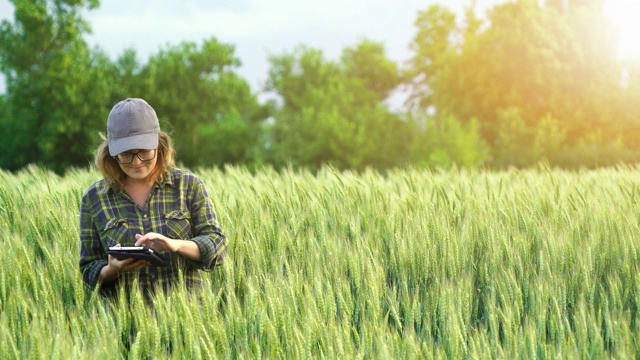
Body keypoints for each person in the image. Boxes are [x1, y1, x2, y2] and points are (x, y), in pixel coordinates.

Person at [79, 98, 227, 298]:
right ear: (112, 152)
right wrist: (113, 269)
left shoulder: (188, 186)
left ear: (159, 144)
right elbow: (88, 268)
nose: (137, 162)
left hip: (186, 320)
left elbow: (217, 246)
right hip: (123, 324)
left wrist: (175, 245)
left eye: (144, 152)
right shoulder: (94, 198)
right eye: (126, 154)